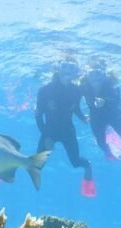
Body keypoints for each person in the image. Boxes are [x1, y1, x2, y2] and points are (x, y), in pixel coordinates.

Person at [35, 58, 96, 197]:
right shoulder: (45, 90)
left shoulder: (77, 91)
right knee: (37, 165)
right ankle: (7, 169)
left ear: (76, 72)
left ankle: (88, 175)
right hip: (48, 131)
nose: (67, 71)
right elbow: (38, 115)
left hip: (68, 131)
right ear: (58, 68)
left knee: (76, 162)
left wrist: (83, 118)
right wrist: (46, 137)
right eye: (65, 66)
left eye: (72, 68)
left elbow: (76, 109)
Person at [79, 58, 121, 161]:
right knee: (100, 141)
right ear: (87, 76)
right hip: (96, 117)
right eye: (91, 74)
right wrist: (81, 116)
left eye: (98, 74)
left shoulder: (111, 86)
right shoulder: (84, 87)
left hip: (113, 114)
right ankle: (108, 152)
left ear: (104, 76)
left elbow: (116, 99)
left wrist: (105, 101)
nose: (95, 78)